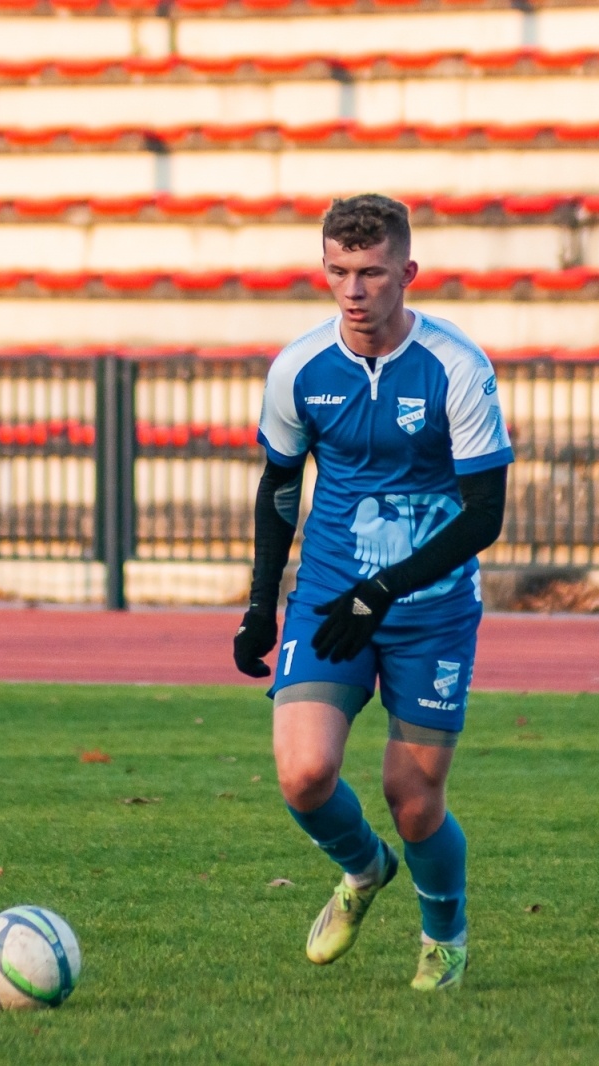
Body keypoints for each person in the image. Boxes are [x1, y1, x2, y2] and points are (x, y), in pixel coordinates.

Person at [233, 194, 511, 991]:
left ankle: (445, 936)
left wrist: (386, 589)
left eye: (371, 273)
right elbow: (279, 490)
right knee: (304, 774)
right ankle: (362, 869)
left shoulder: (457, 366)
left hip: (431, 607)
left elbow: (484, 515)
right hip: (331, 591)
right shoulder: (299, 368)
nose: (353, 290)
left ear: (406, 274)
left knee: (413, 797)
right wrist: (261, 605)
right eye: (338, 271)